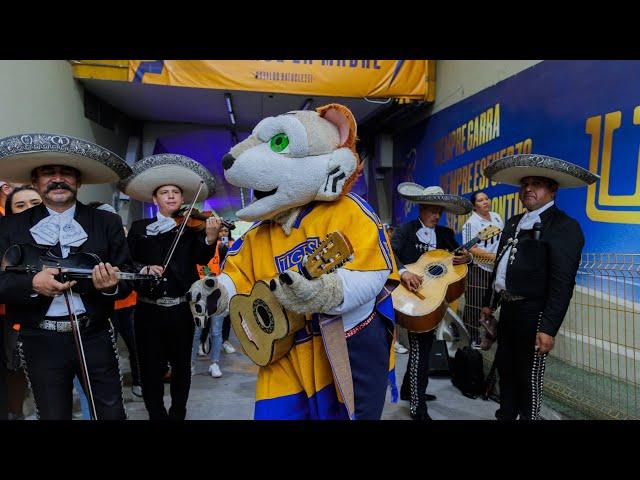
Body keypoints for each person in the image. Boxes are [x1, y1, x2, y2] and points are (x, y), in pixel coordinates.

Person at [189, 104, 399, 420]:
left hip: (339, 347)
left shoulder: (348, 211)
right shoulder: (258, 234)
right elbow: (239, 276)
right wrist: (218, 290)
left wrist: (327, 290)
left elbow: (372, 271)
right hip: (281, 354)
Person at [0, 132, 134, 420]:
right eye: (48, 173)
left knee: (111, 414)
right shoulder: (9, 226)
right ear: (35, 183)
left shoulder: (106, 222)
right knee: (53, 415)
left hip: (94, 334)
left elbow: (126, 276)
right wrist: (31, 284)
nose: (57, 179)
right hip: (39, 337)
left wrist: (111, 287)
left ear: (79, 181)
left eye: (66, 173)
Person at [481, 154, 599, 420]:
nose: (528, 189)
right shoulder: (512, 223)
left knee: (529, 379)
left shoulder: (565, 227)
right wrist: (490, 304)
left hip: (534, 314)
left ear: (552, 190)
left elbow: (562, 284)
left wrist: (548, 328)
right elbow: (500, 268)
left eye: (537, 184)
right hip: (508, 312)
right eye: (525, 184)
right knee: (506, 371)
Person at [119, 153, 219, 420]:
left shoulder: (191, 227)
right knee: (150, 367)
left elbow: (201, 257)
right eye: (165, 192)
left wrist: (209, 237)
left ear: (183, 198)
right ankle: (156, 414)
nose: (172, 196)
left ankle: (178, 412)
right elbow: (127, 261)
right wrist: (143, 269)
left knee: (181, 366)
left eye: (176, 192)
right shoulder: (140, 227)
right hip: (146, 310)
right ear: (155, 199)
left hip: (180, 309)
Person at [391, 183, 473, 420]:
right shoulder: (405, 231)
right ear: (421, 209)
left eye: (439, 211)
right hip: (412, 300)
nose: (436, 215)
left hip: (436, 301)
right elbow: (389, 253)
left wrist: (465, 258)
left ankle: (409, 391)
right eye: (431, 210)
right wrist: (404, 271)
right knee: (422, 349)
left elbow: (456, 263)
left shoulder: (446, 235)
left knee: (423, 348)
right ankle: (418, 407)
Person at [87, 201, 142, 398]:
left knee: (135, 345)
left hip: (128, 304)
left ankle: (138, 381)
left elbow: (134, 267)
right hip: (104, 307)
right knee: (106, 349)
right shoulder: (89, 243)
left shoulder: (125, 239)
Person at [1, 186, 42, 420]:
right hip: (13, 320)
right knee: (13, 370)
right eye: (20, 205)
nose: (28, 210)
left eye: (35, 204)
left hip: (58, 326)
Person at [192, 224, 235, 378]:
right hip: (200, 293)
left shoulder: (222, 247)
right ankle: (191, 364)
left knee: (216, 331)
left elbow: (226, 268)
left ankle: (214, 363)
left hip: (217, 293)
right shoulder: (197, 245)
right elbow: (199, 266)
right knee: (197, 331)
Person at [461, 191, 503, 347]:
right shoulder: (471, 223)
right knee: (474, 305)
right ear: (474, 205)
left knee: (491, 304)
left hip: (496, 269)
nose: (485, 201)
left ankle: (489, 333)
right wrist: (494, 257)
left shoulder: (497, 216)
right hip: (479, 269)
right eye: (480, 200)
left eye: (486, 198)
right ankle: (471, 338)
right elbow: (471, 248)